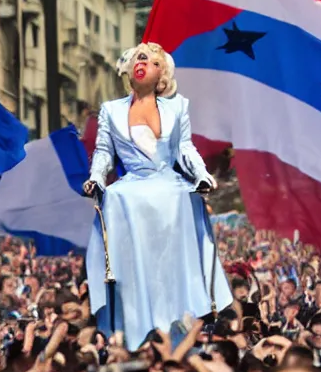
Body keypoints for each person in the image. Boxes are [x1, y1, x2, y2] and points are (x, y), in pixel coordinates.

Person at [84, 42, 232, 349]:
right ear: (128, 71)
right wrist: (96, 178)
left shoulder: (178, 107)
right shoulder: (111, 110)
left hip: (169, 186)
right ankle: (133, 321)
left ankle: (178, 316)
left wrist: (201, 174)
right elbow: (103, 153)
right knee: (114, 200)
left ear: (161, 74)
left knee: (183, 198)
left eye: (150, 60)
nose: (142, 62)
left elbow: (185, 148)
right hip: (131, 189)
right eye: (138, 57)